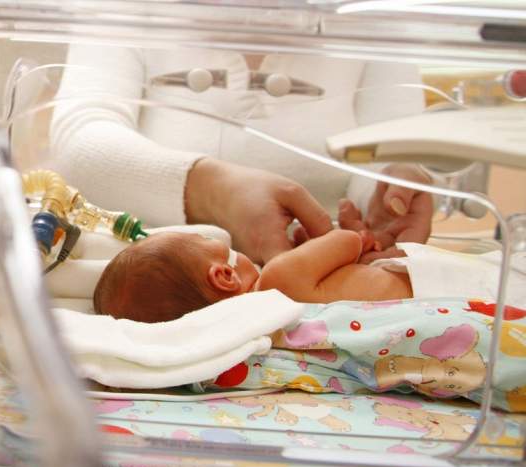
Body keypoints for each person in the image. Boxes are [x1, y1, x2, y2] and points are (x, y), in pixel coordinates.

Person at [50, 45, 434, 265]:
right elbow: (81, 141)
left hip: (328, 269)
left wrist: (386, 192)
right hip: (150, 268)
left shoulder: (374, 14)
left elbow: (388, 139)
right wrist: (214, 192)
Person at [93, 200, 526, 323]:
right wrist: (337, 241)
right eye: (214, 245)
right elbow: (348, 240)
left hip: (447, 304)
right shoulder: (278, 275)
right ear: (224, 275)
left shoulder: (269, 325)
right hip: (446, 288)